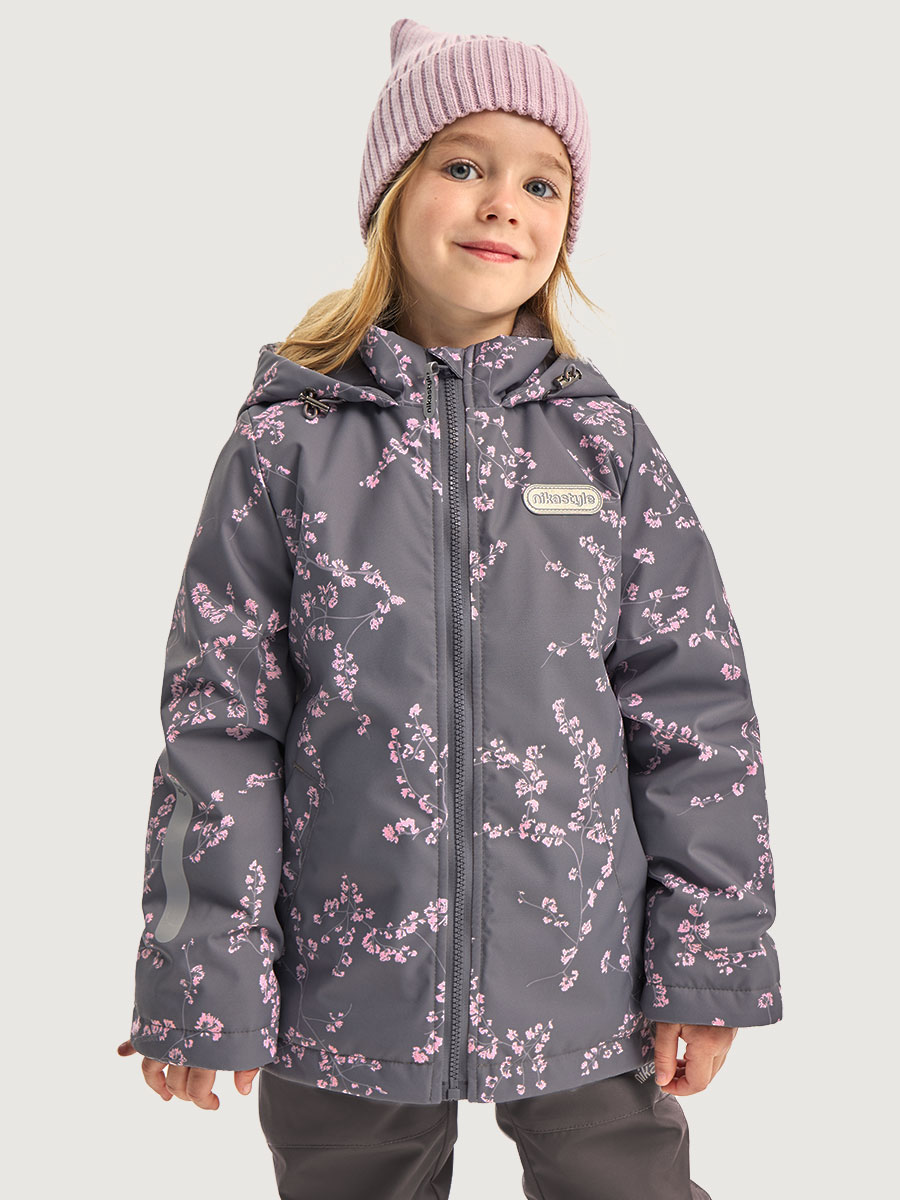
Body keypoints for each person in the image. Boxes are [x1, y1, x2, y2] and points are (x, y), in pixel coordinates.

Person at [117, 17, 782, 1200]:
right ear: (390, 196)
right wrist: (199, 976)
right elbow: (220, 732)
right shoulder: (286, 450)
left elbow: (696, 715)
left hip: (583, 970)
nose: (503, 205)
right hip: (345, 979)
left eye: (542, 182)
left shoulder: (604, 448)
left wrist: (706, 959)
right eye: (463, 164)